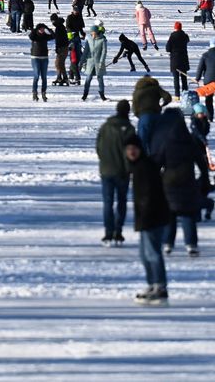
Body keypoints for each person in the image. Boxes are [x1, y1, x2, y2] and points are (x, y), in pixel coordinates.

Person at [148, 108, 209, 257]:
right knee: (188, 214)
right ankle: (191, 244)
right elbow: (201, 162)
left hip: (168, 181)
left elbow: (157, 162)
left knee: (170, 214)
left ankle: (168, 243)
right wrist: (205, 177)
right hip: (187, 180)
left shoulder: (166, 142)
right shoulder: (190, 141)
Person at [124, 133, 169, 305]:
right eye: (128, 149)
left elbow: (150, 195)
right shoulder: (137, 167)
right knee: (144, 254)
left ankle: (160, 286)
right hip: (145, 217)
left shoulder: (145, 166)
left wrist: (147, 215)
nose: (131, 152)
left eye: (134, 149)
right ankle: (152, 284)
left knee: (152, 253)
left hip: (153, 216)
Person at [96, 101, 135, 247]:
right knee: (121, 202)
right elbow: (132, 151)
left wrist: (104, 160)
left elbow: (98, 146)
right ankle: (118, 231)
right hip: (122, 171)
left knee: (108, 202)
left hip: (106, 169)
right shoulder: (129, 129)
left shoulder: (106, 126)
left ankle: (108, 232)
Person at [81, 25, 109, 101]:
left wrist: (101, 62)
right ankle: (85, 94)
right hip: (90, 63)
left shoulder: (102, 40)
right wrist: (81, 61)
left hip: (98, 62)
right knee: (88, 78)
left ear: (96, 32)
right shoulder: (89, 39)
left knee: (100, 79)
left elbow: (104, 52)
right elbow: (85, 51)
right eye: (91, 32)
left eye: (93, 32)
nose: (92, 34)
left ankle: (102, 94)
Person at [29, 23, 55, 102]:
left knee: (44, 77)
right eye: (41, 29)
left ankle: (43, 93)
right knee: (36, 75)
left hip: (44, 57)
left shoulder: (45, 36)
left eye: (43, 29)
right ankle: (34, 92)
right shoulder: (34, 36)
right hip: (35, 57)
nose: (42, 30)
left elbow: (54, 36)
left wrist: (48, 29)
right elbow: (30, 36)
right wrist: (35, 29)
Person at [166, 22, 190, 96]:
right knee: (184, 78)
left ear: (175, 28)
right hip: (183, 59)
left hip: (175, 59)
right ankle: (185, 93)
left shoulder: (172, 36)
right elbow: (187, 40)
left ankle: (177, 95)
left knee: (176, 78)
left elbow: (168, 48)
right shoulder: (185, 36)